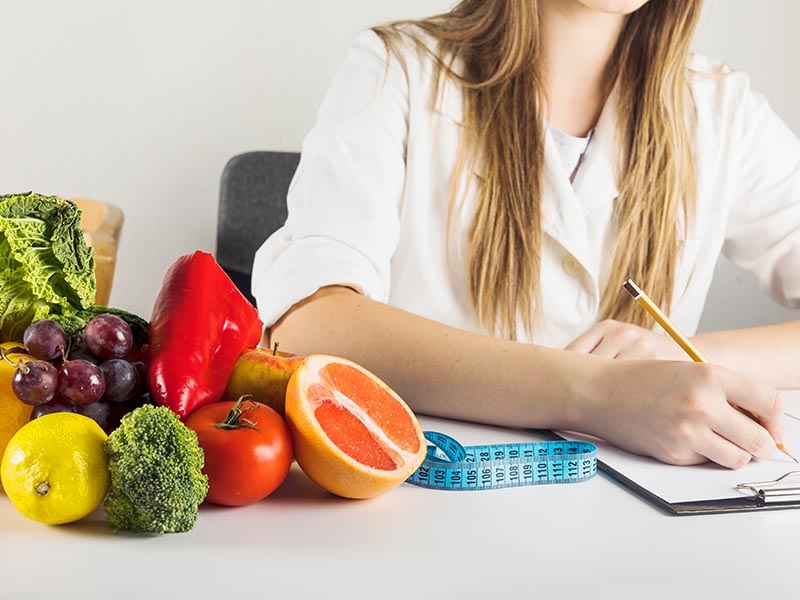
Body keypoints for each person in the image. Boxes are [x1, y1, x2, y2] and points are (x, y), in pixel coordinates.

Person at [252, 0, 800, 469]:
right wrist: (596, 392)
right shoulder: (397, 69)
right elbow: (308, 323)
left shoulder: (724, 111)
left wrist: (684, 363)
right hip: (422, 505)